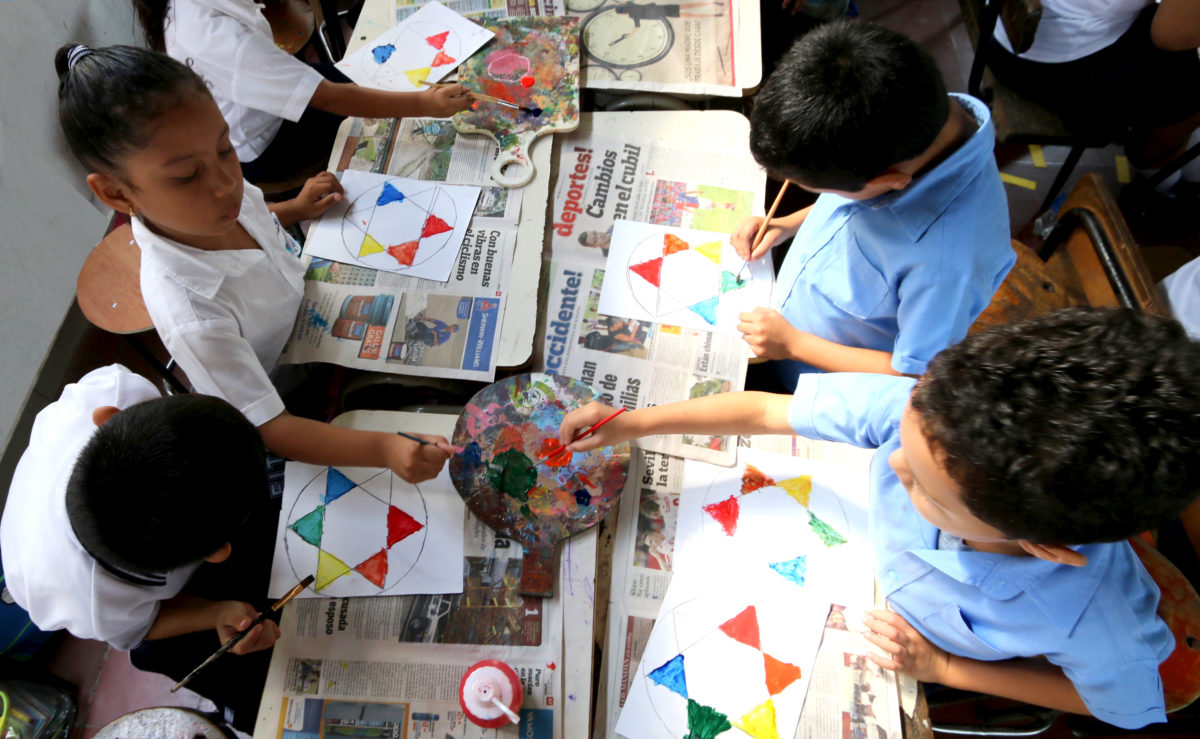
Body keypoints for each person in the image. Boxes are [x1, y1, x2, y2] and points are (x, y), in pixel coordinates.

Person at [557, 308, 1200, 729]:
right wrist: (632, 423)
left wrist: (944, 671)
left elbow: (1114, 703)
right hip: (841, 548)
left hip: (900, 644)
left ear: (1042, 547)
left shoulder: (1097, 624)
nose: (893, 462)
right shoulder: (942, 416)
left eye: (924, 487)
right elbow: (765, 415)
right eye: (905, 442)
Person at [55, 44, 451, 483]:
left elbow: (258, 214)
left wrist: (295, 208)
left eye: (225, 149)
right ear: (116, 194)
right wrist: (385, 448)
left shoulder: (222, 199)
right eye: (187, 176)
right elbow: (273, 427)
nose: (227, 184)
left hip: (317, 313)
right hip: (294, 393)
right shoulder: (192, 312)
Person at [733, 22, 1014, 387]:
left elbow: (914, 371)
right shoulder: (905, 106)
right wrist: (787, 224)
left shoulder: (946, 265)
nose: (822, 195)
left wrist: (794, 344)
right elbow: (848, 204)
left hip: (816, 379)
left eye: (813, 187)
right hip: (783, 323)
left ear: (887, 182)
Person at [0, 365, 280, 730]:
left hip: (147, 534)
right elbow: (146, 625)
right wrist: (215, 613)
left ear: (110, 419)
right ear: (217, 552)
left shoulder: (110, 391)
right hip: (84, 586)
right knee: (160, 653)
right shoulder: (89, 604)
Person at [131, 0, 470, 183]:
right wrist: (424, 104)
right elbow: (332, 98)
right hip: (268, 145)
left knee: (369, 80)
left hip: (261, 104)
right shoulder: (217, 38)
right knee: (389, 119)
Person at [986, 0, 1200, 190]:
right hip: (1041, 64)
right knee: (1188, 81)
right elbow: (1169, 35)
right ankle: (1158, 174)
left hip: (999, 22)